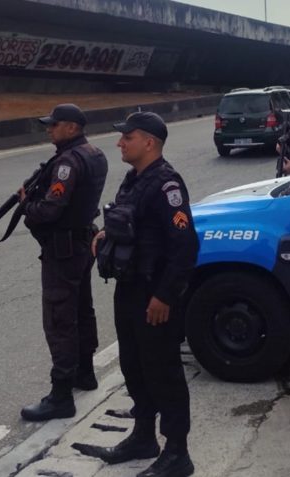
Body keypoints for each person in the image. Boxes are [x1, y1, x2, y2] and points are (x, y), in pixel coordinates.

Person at [73, 112, 199, 477]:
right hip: (129, 289)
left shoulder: (166, 186)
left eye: (127, 137)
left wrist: (165, 296)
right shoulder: (133, 180)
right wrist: (106, 238)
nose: (120, 143)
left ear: (149, 142)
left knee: (164, 372)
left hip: (153, 294)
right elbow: (131, 226)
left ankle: (178, 453)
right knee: (134, 365)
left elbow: (184, 247)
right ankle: (144, 436)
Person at [19, 103, 108, 422]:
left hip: (63, 249)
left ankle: (60, 396)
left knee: (59, 317)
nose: (49, 129)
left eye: (54, 125)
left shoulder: (67, 162)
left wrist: (28, 206)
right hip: (82, 243)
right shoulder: (94, 153)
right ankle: (85, 371)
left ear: (72, 127)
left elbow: (51, 209)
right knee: (82, 310)